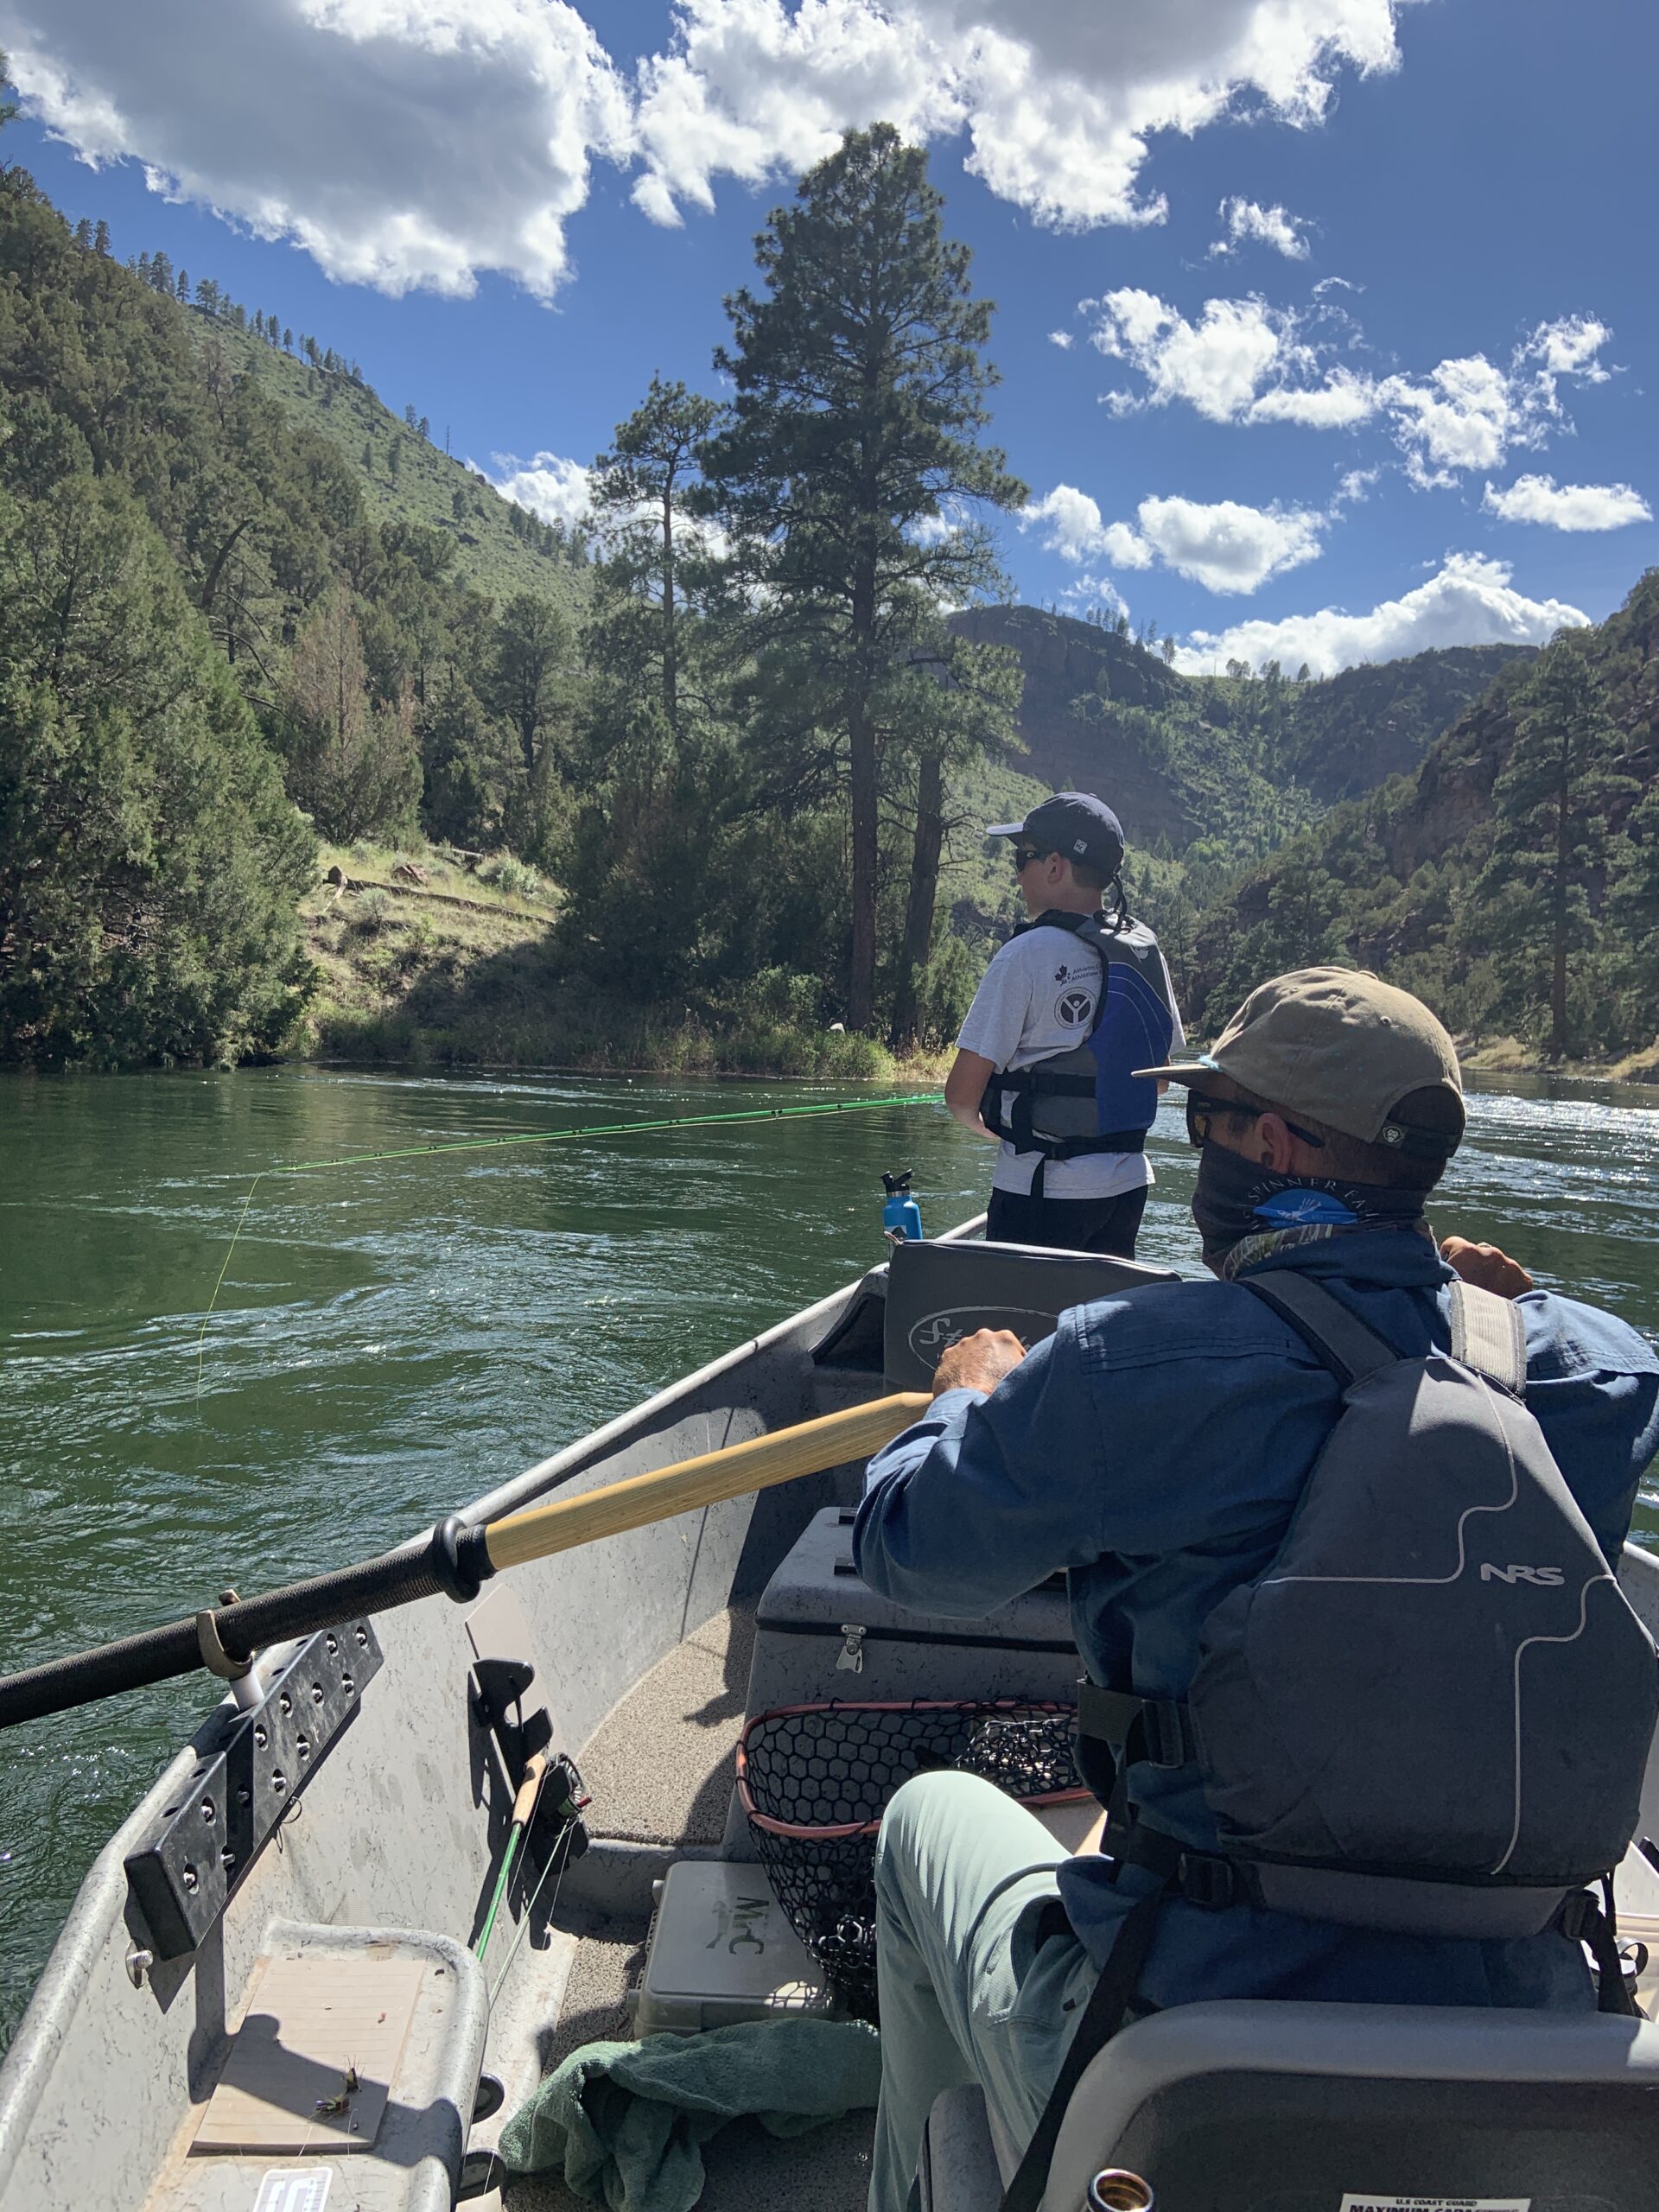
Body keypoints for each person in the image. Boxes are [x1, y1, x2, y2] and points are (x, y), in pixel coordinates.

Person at [854, 967, 1659, 2212]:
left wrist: (968, 1394)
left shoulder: (1129, 1361)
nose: (1198, 1154)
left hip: (1182, 2047)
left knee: (923, 1826)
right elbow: (1575, 1345)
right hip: (1523, 2040)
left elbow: (908, 1547)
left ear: (1271, 1141)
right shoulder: (1596, 1378)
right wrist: (1493, 1297)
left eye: (1206, 1121)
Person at [944, 792, 1182, 1256]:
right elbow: (1160, 1081)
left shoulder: (1023, 955)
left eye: (1022, 858)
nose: (1017, 874)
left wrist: (1012, 1128)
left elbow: (959, 1098)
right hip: (1127, 1189)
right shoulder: (1143, 948)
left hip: (1040, 1187)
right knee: (1094, 1322)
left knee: (1026, 1326)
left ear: (1054, 866)